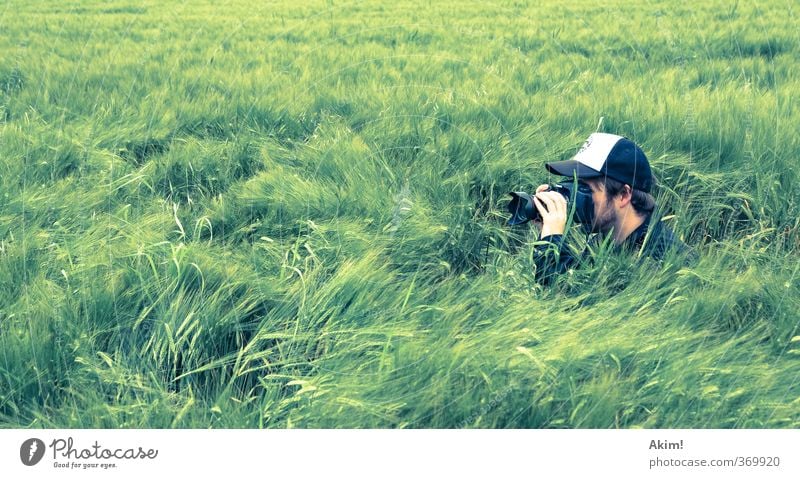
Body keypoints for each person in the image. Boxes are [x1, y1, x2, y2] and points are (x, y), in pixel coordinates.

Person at [531, 132, 691, 282]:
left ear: (623, 195)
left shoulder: (664, 260)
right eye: (573, 185)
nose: (575, 197)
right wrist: (548, 234)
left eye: (584, 189)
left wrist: (552, 242)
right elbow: (578, 287)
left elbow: (573, 303)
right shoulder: (603, 241)